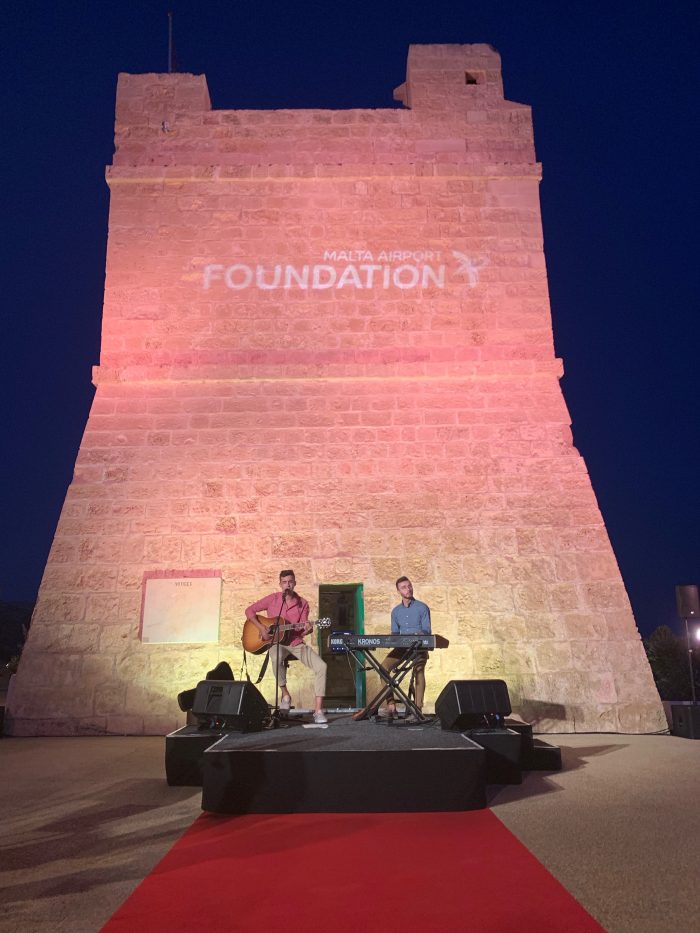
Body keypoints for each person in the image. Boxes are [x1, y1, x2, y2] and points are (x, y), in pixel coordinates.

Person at [245, 570, 328, 724]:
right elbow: (249, 611)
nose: (287, 585)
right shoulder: (273, 599)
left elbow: (302, 627)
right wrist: (262, 628)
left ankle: (318, 711)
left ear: (295, 583)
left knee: (321, 666)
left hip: (295, 642)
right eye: (284, 582)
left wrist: (308, 629)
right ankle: (285, 694)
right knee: (275, 656)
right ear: (280, 584)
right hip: (276, 643)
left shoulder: (302, 603)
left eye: (290, 582)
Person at [383, 576, 431, 716]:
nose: (408, 589)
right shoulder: (396, 611)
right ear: (398, 591)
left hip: (419, 648)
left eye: (409, 586)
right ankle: (391, 704)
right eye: (404, 587)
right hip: (402, 648)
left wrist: (420, 634)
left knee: (419, 670)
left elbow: (427, 631)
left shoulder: (422, 607)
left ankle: (418, 708)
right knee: (383, 668)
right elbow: (395, 634)